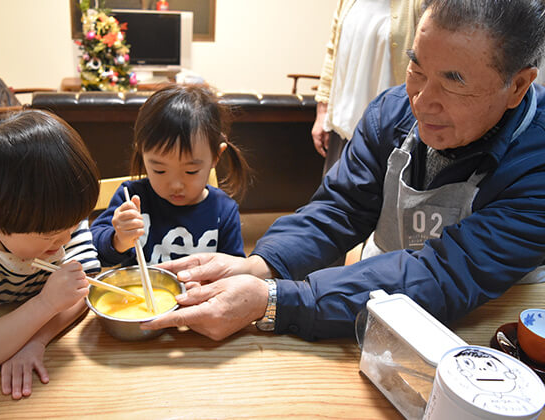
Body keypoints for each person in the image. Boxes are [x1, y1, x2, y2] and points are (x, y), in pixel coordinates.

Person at [141, 0, 545, 342]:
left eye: (453, 83)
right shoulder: (392, 112)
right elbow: (341, 208)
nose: (421, 103)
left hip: (494, 322)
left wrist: (274, 300)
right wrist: (262, 265)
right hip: (374, 292)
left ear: (518, 86)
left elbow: (446, 274)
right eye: (416, 70)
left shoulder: (536, 161)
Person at [0, 110, 101, 398]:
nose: (65, 240)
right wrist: (44, 304)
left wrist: (35, 341)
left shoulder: (60, 216)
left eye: (72, 226)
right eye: (48, 235)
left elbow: (85, 286)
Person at [91, 85, 250, 266]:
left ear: (215, 157)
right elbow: (93, 251)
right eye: (160, 170)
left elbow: (235, 269)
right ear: (142, 154)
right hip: (139, 294)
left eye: (191, 171)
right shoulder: (131, 197)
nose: (175, 185)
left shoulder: (223, 210)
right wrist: (118, 240)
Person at [312, 0, 423, 175]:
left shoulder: (417, 4)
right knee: (333, 197)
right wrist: (323, 111)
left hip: (386, 135)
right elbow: (332, 51)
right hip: (341, 128)